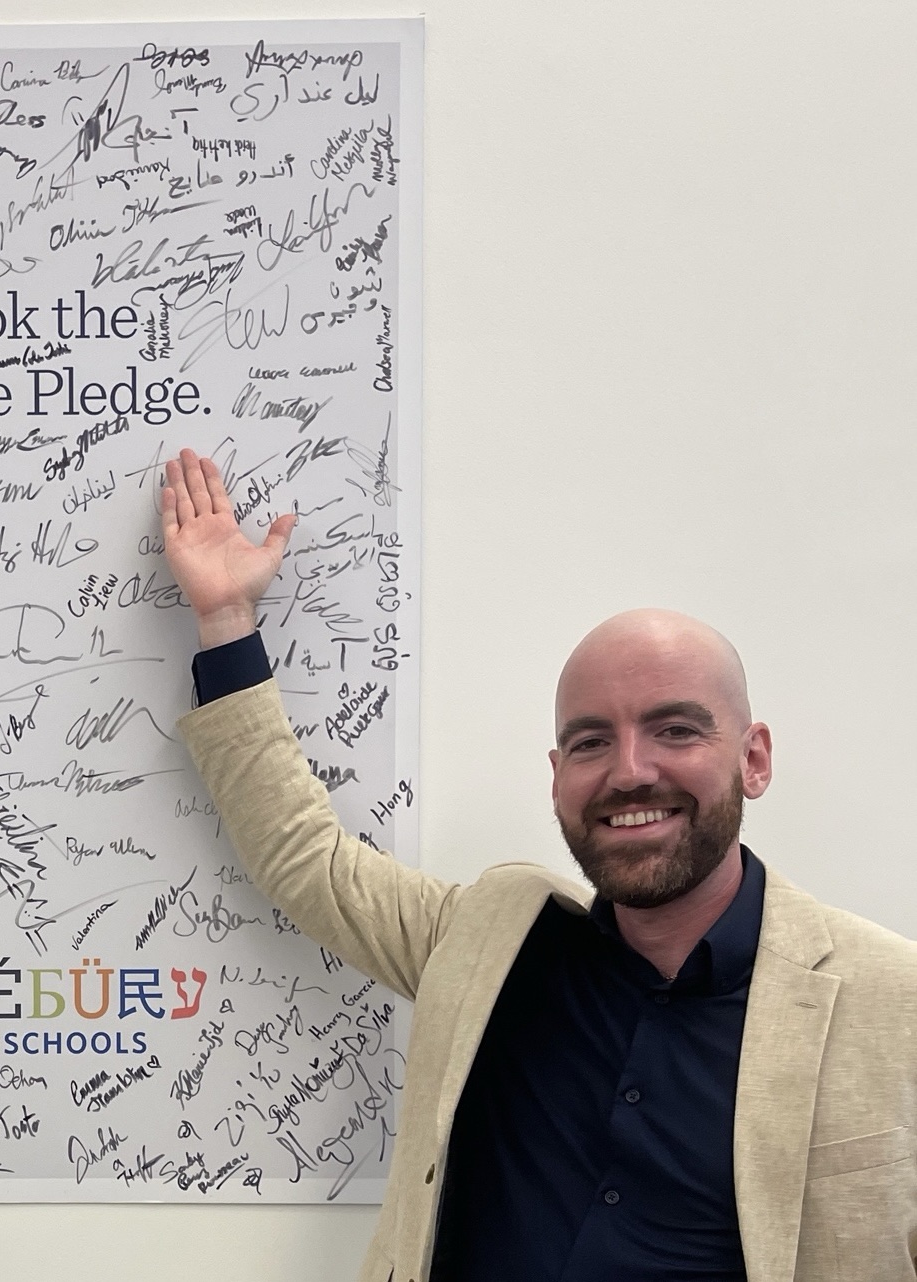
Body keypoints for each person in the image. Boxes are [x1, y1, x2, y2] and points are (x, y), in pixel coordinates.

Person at [161, 448, 917, 1282]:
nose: (630, 770)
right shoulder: (490, 942)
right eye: (592, 741)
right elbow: (308, 861)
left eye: (675, 729)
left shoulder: (894, 999)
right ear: (557, 778)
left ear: (754, 759)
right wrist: (225, 617)